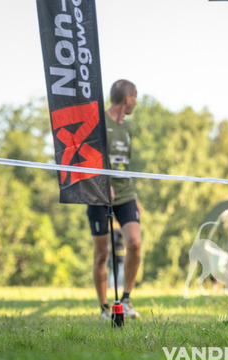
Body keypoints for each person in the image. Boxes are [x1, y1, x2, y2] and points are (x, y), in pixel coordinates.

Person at [87, 79, 141, 320]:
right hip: (99, 194)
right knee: (102, 253)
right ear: (127, 98)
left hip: (125, 193)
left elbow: (125, 164)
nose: (136, 103)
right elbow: (87, 158)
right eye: (135, 98)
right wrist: (102, 183)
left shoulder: (127, 128)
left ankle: (126, 299)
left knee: (135, 244)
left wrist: (135, 196)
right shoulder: (99, 122)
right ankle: (104, 307)